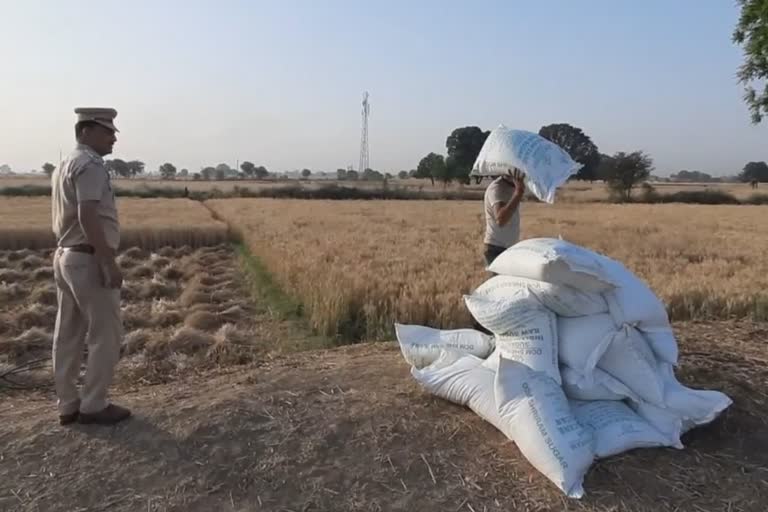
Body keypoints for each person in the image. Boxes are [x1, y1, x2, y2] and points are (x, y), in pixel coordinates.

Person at [50, 107, 131, 426]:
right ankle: (94, 405)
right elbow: (88, 215)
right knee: (106, 333)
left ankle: (67, 405)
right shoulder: (91, 165)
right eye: (107, 131)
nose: (113, 138)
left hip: (66, 256)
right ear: (85, 131)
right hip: (87, 259)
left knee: (67, 334)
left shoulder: (64, 165)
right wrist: (107, 260)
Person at [483, 168, 526, 268]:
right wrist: (519, 192)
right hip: (496, 249)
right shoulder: (497, 188)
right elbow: (501, 219)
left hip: (510, 248)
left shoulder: (512, 187)